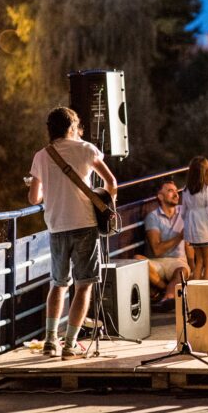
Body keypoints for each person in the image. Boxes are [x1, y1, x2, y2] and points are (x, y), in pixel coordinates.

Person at [28, 107, 117, 360]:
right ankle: (69, 344)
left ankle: (49, 341)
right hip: (84, 224)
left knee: (58, 284)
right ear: (72, 127)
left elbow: (34, 198)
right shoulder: (87, 149)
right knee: (83, 285)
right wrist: (107, 205)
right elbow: (111, 183)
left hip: (56, 226)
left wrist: (47, 187)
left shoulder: (41, 156)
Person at [135, 181, 190, 312]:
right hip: (157, 262)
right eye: (170, 191)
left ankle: (167, 298)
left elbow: (190, 244)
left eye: (176, 191)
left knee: (181, 272)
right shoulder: (153, 217)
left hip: (178, 261)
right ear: (160, 196)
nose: (176, 194)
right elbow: (157, 250)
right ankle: (166, 289)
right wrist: (179, 237)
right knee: (137, 260)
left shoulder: (184, 212)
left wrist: (192, 265)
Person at [180, 156, 208, 280]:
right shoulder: (207, 190)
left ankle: (197, 288)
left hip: (193, 231)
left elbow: (183, 213)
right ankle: (206, 288)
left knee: (199, 261)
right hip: (206, 230)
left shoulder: (185, 191)